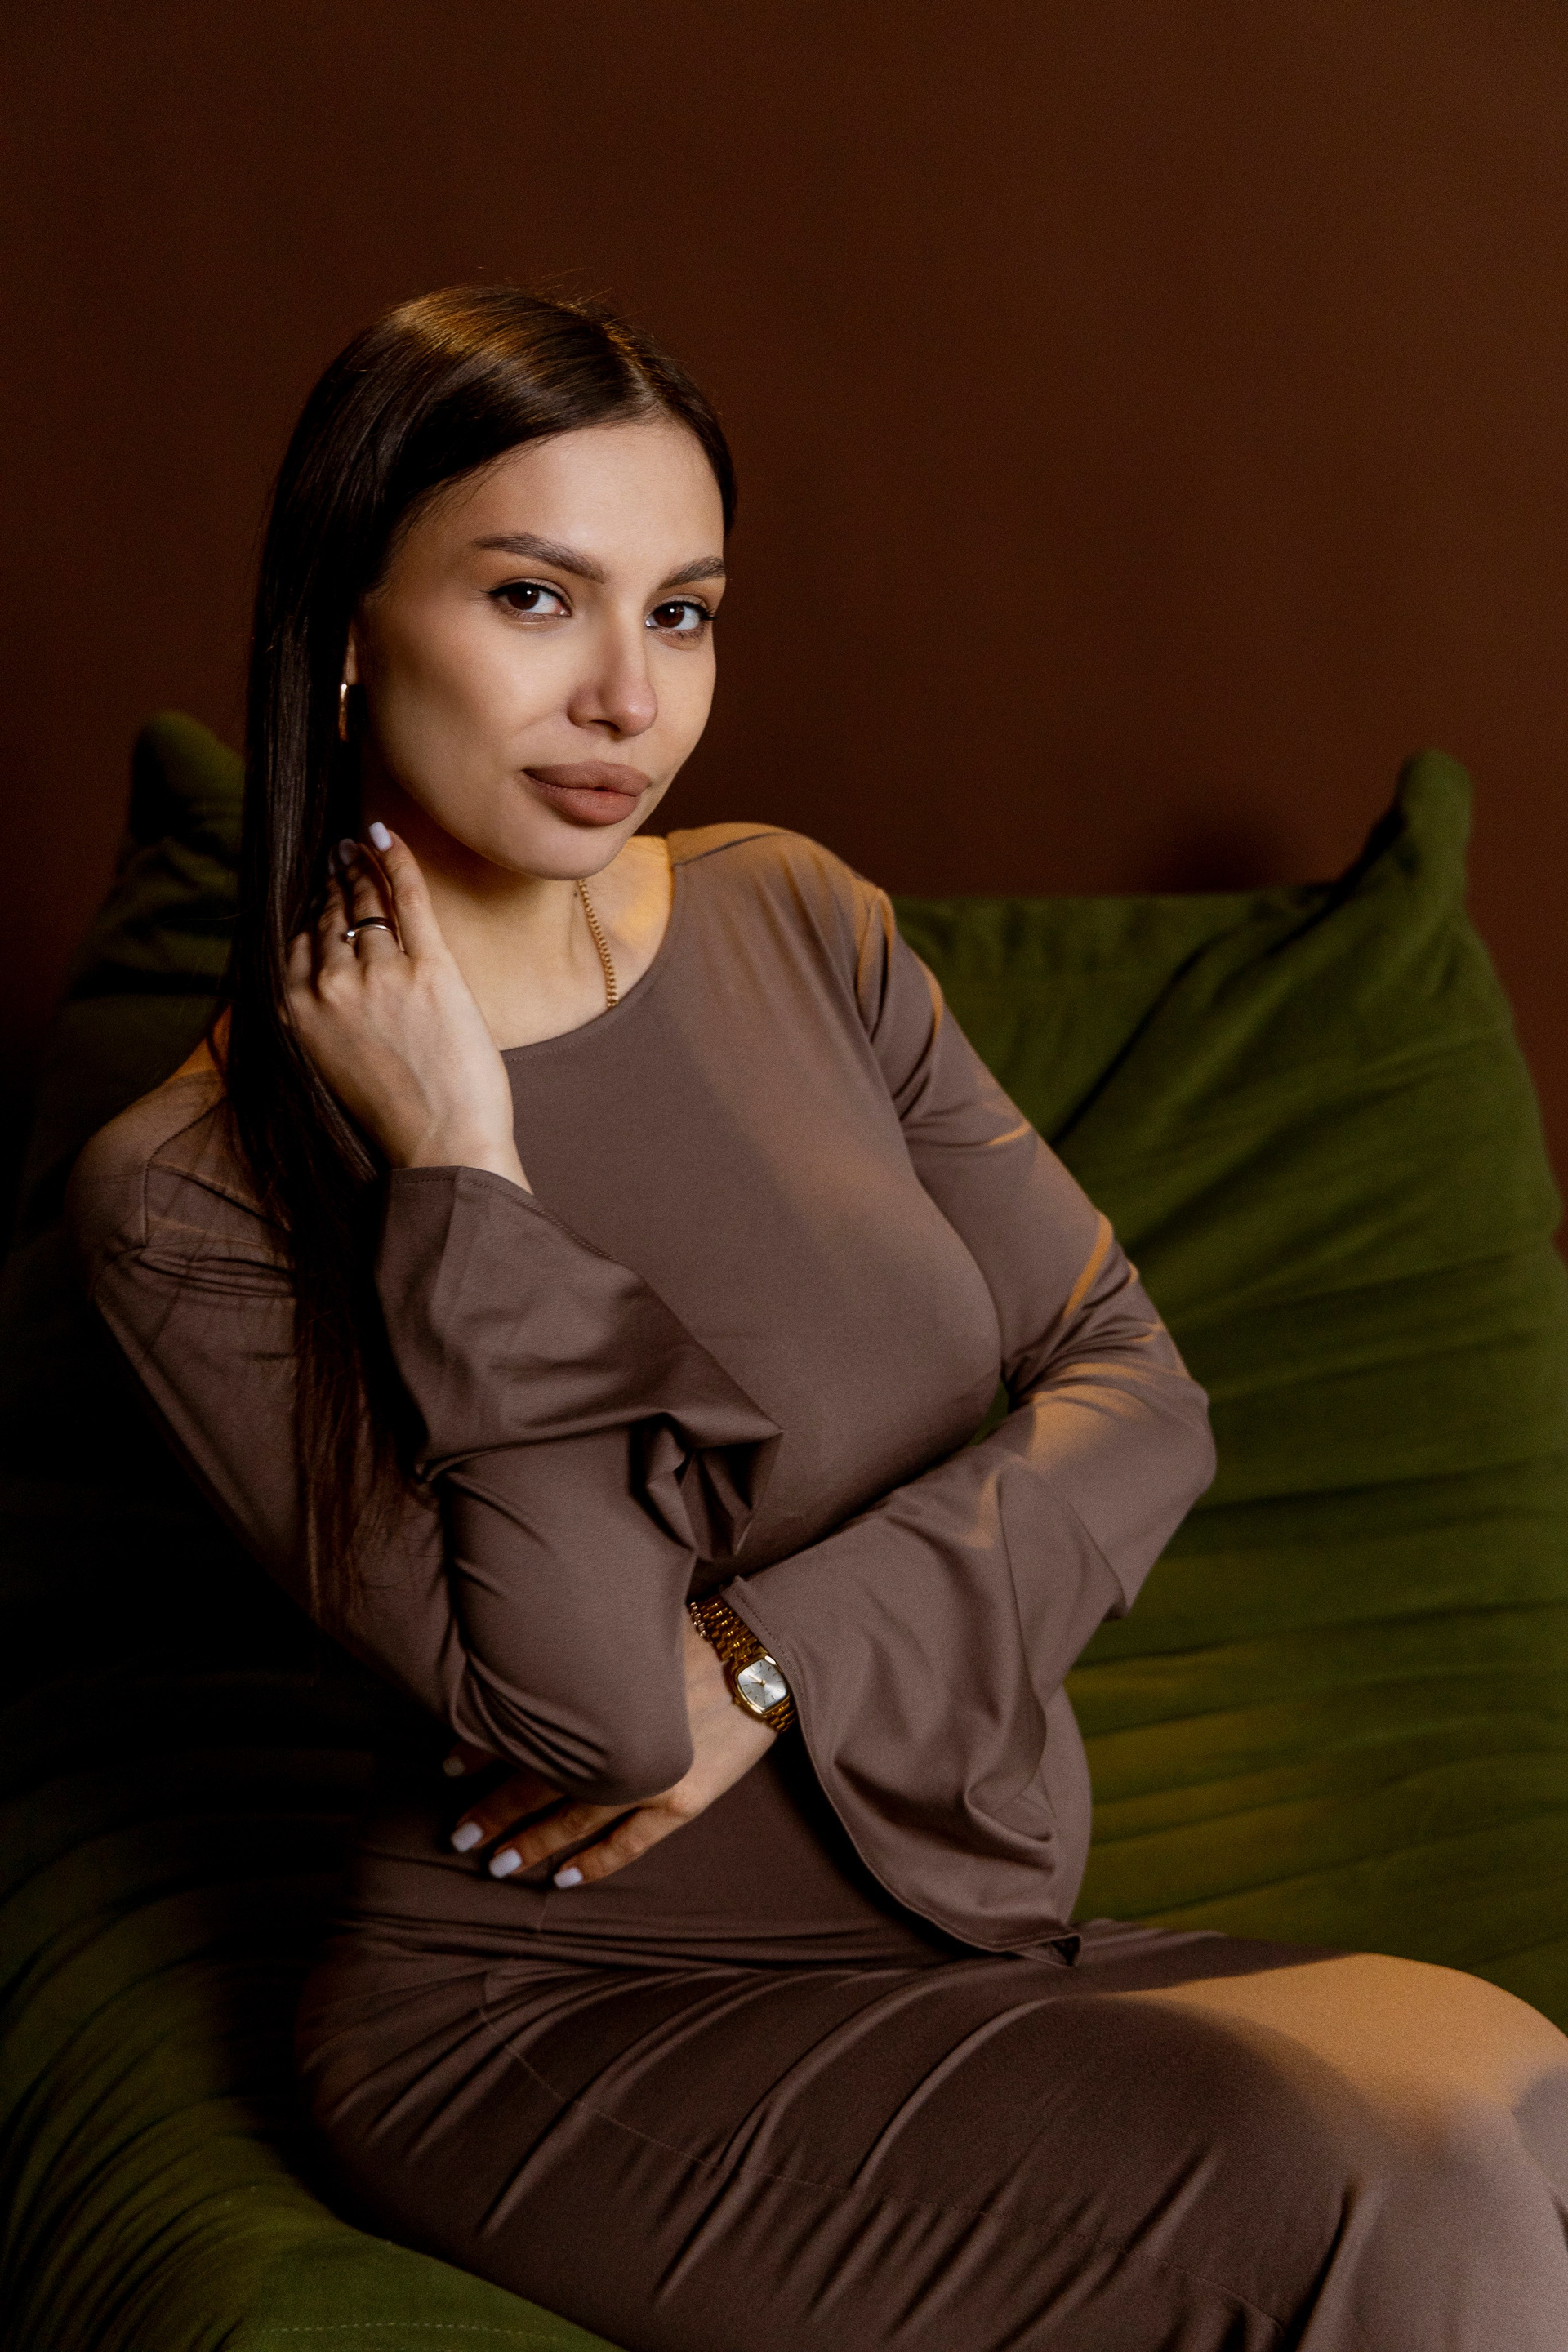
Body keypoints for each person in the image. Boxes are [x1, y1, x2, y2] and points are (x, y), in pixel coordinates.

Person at [69, 285, 1568, 2351]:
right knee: (1394, 2191)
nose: (627, 696)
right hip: (562, 2020)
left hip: (969, 1933)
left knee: (1530, 2095)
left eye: (681, 613)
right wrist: (459, 1170)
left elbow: (1140, 1397)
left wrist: (771, 1663)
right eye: (535, 598)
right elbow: (597, 1719)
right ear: (344, 627)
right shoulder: (188, 1185)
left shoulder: (794, 917)